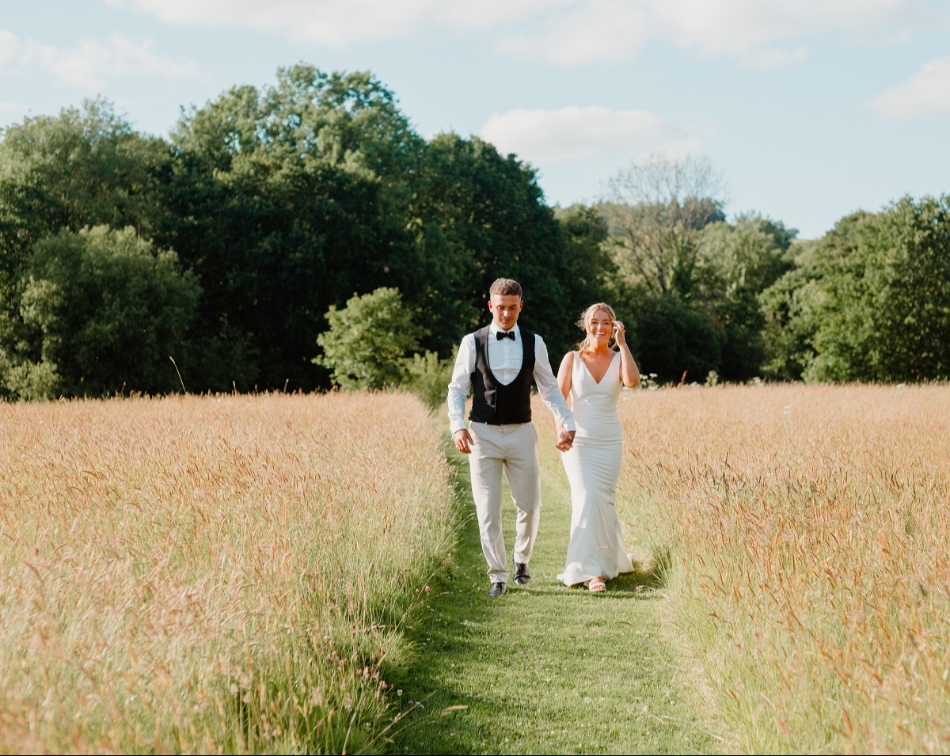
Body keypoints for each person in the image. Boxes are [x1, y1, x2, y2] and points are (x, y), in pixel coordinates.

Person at [447, 278, 576, 598]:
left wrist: (566, 421)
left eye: (512, 307)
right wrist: (457, 425)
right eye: (500, 307)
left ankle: (522, 560)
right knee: (487, 509)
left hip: (521, 433)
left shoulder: (536, 342)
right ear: (490, 306)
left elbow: (549, 389)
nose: (506, 313)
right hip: (482, 435)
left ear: (521, 306)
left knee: (530, 506)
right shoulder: (471, 342)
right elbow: (457, 388)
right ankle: (498, 577)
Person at [555, 303, 640, 592]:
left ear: (614, 327)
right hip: (578, 441)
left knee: (603, 501)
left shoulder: (619, 358)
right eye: (595, 322)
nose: (600, 328)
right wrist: (562, 431)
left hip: (609, 441)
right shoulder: (572, 359)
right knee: (587, 497)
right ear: (585, 325)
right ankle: (589, 572)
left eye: (607, 323)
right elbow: (558, 401)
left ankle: (608, 560)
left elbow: (632, 381)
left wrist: (624, 345)